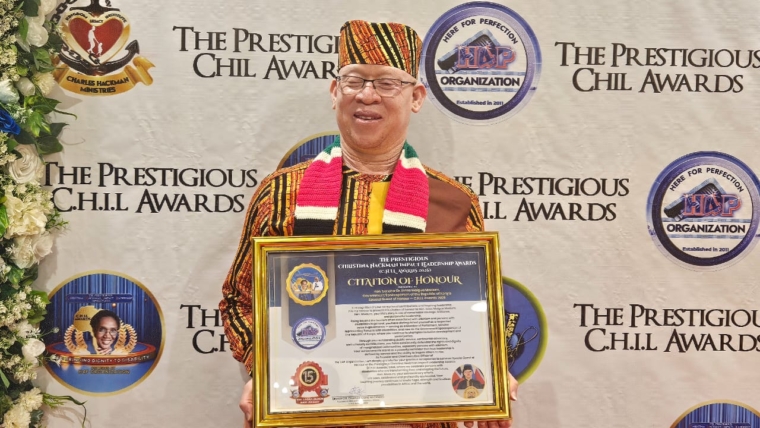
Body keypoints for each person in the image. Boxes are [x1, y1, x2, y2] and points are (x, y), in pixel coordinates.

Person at [220, 19, 517, 428]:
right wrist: (265, 368)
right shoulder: (282, 193)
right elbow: (239, 300)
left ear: (416, 97)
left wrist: (493, 370)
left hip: (422, 415)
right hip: (310, 408)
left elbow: (477, 312)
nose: (366, 94)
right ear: (334, 92)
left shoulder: (453, 201)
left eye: (387, 83)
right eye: (354, 80)